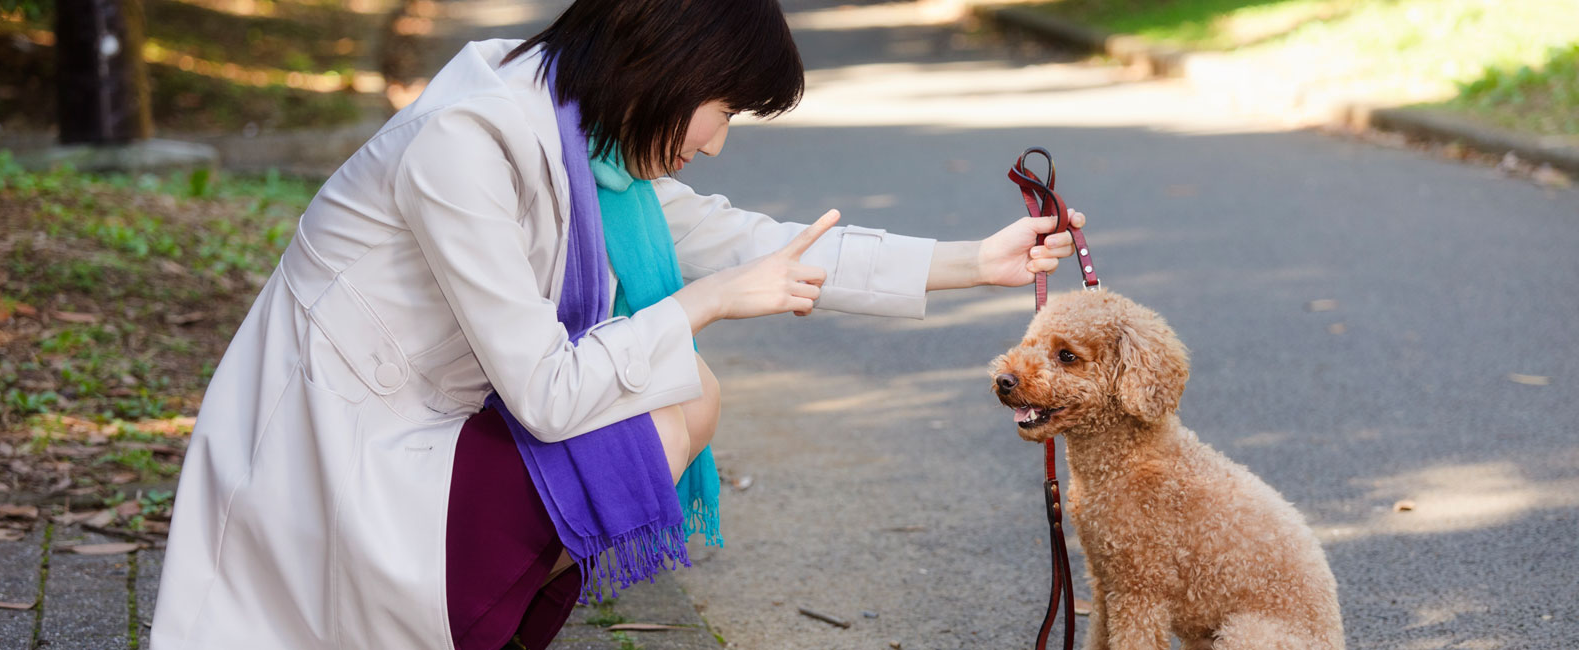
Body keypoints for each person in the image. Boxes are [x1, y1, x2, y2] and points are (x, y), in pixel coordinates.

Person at [149, 1, 1088, 648]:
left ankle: (485, 617)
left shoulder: (581, 138)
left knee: (682, 392)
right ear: (663, 64)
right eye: (721, 110)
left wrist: (976, 260)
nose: (717, 141)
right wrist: (706, 302)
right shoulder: (467, 141)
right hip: (336, 482)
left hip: (418, 445)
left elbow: (741, 240)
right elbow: (551, 394)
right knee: (672, 393)